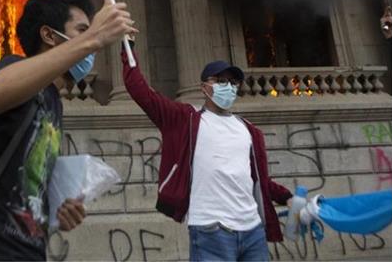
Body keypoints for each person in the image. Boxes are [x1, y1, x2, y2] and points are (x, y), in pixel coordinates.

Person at [0, 0, 137, 261]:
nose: (94, 47)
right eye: (81, 29)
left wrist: (59, 211)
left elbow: (26, 191)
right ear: (49, 36)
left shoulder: (54, 102)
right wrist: (94, 37)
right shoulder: (14, 67)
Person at [121, 41, 293, 261]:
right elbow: (140, 90)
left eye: (233, 82)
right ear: (204, 87)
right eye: (221, 81)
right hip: (210, 231)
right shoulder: (186, 120)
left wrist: (288, 197)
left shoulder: (249, 130)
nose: (228, 87)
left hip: (253, 232)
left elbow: (257, 179)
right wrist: (127, 46)